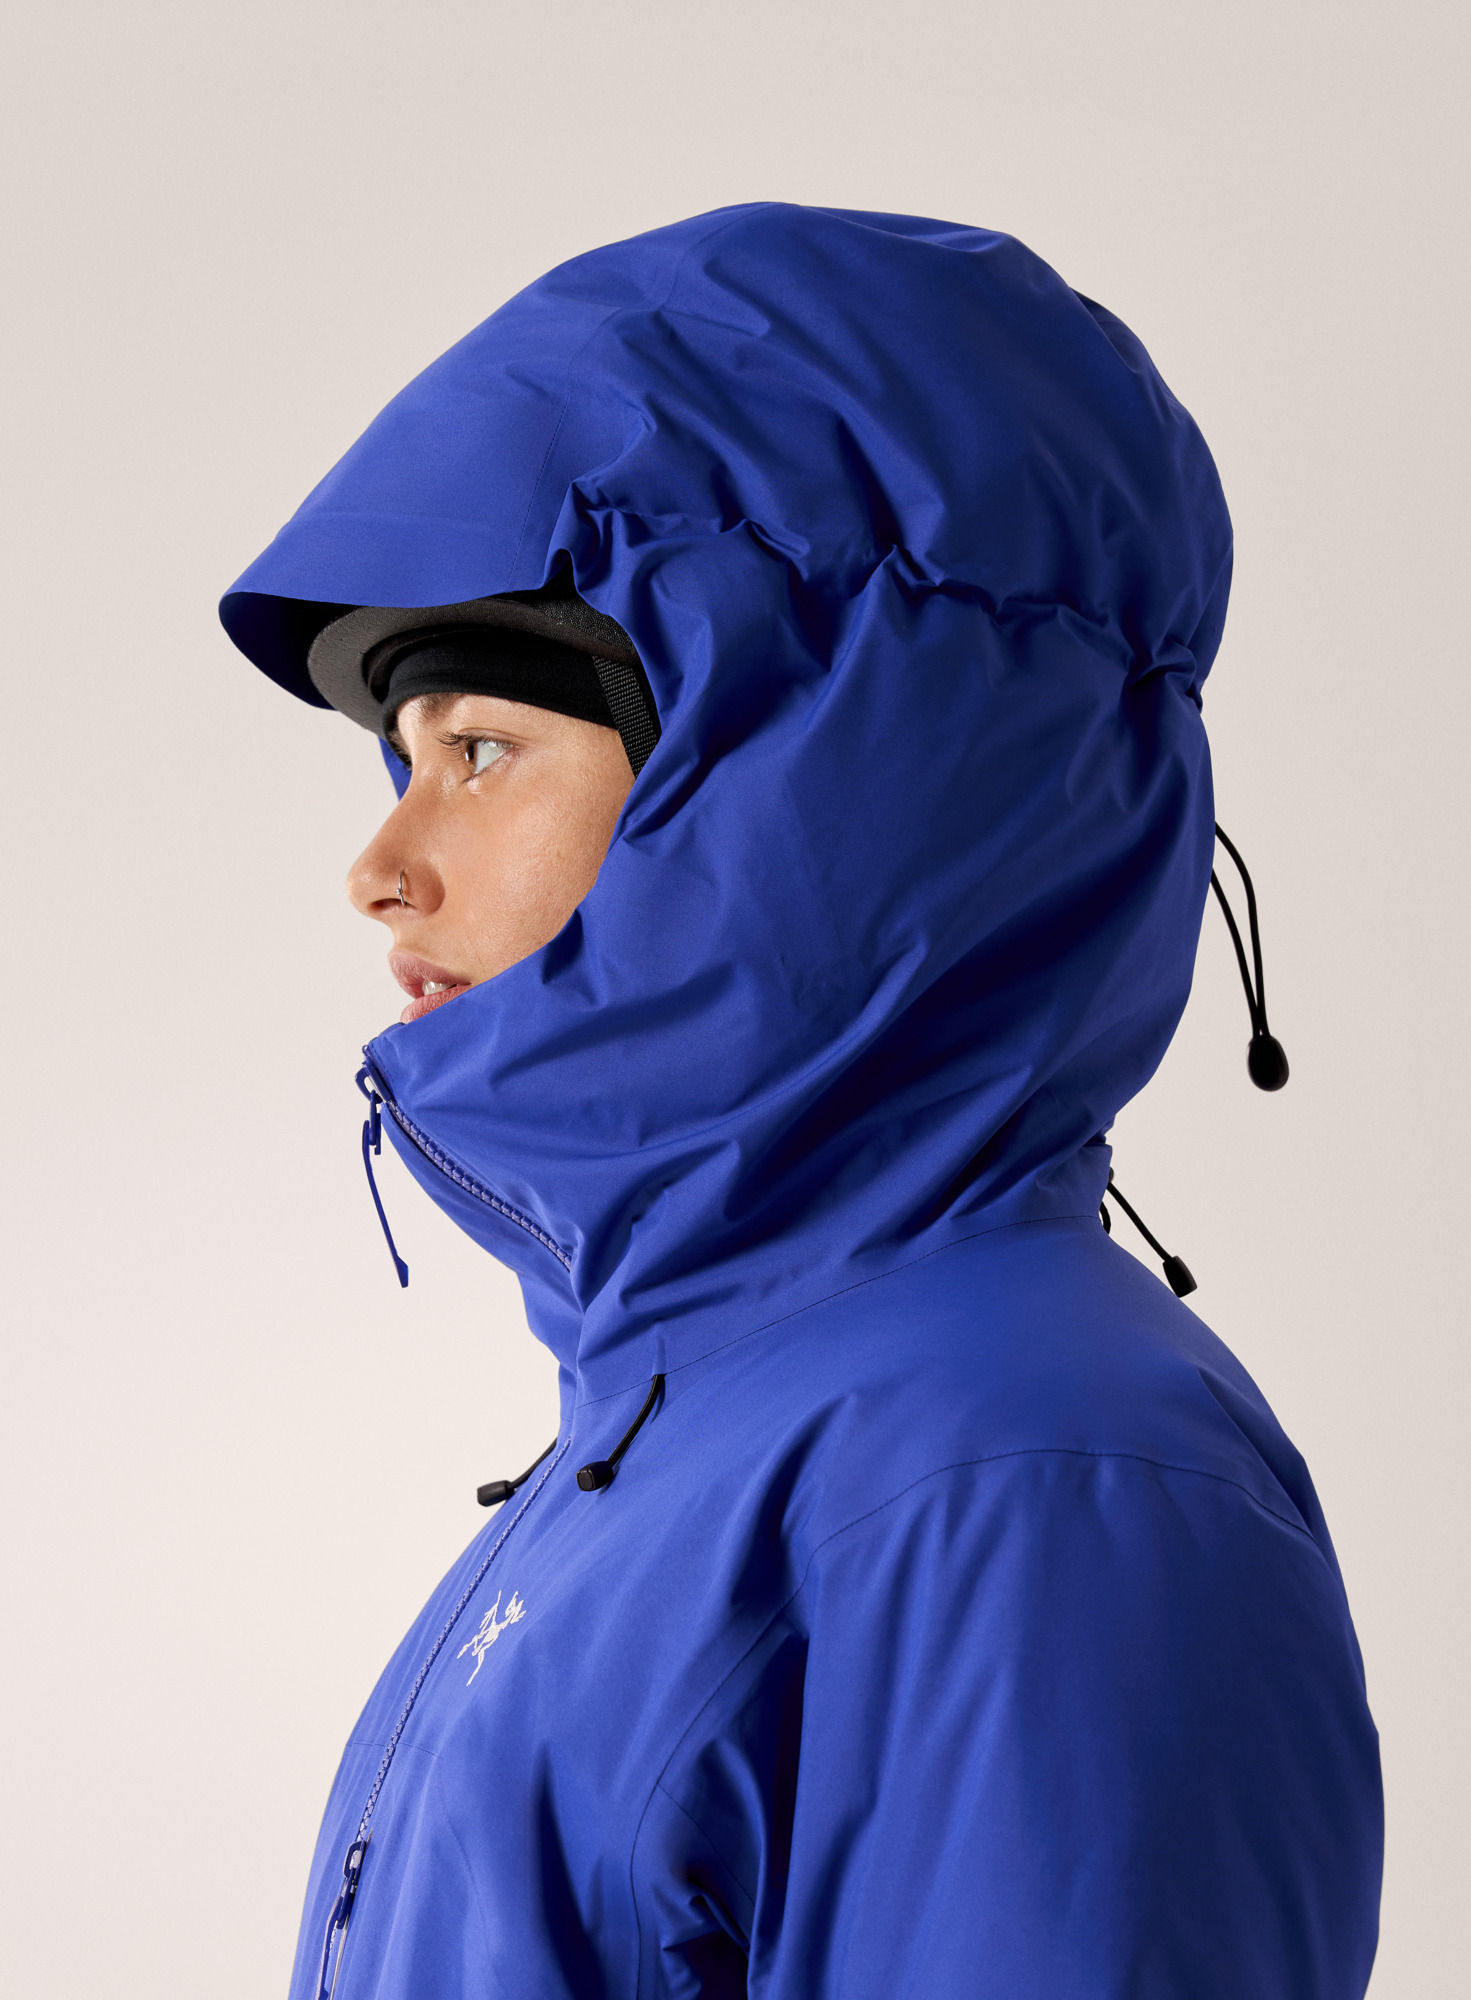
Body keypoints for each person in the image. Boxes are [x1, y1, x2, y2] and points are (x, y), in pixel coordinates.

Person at [220, 203, 1383, 2000]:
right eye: (403, 760)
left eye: (482, 750)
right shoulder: (691, 1432)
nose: (382, 866)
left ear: (801, 773)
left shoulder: (1024, 1475)